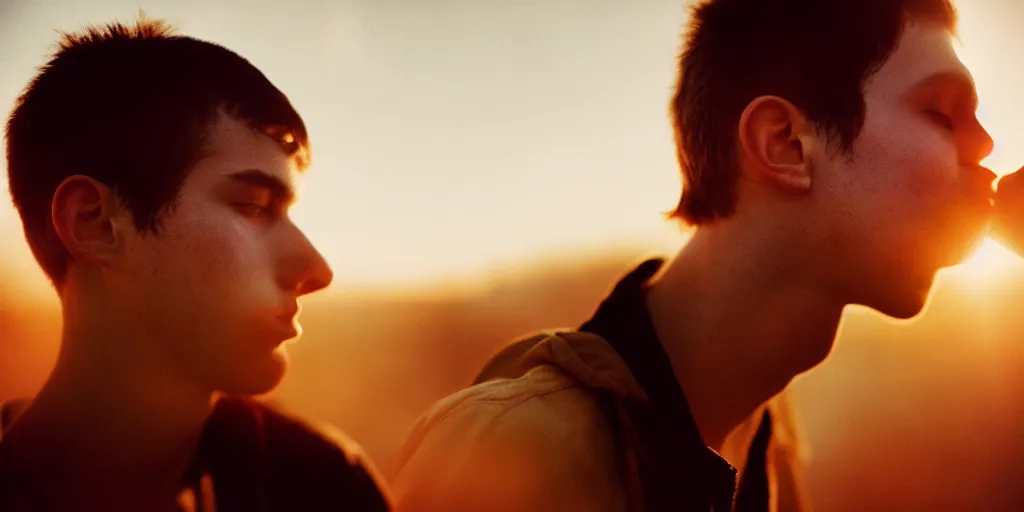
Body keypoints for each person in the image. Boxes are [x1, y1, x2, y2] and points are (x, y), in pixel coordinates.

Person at [391, 0, 995, 510]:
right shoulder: (514, 452)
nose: (987, 144)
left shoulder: (767, 437)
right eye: (941, 112)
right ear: (784, 144)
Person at [0, 18, 390, 511]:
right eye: (251, 206)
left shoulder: (325, 486)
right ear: (94, 223)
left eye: (289, 213)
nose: (316, 269)